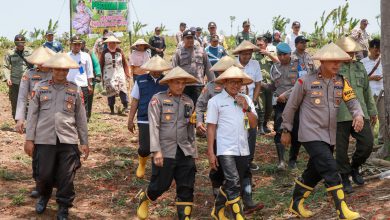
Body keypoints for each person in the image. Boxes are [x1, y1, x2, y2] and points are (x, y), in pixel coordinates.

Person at [281, 43, 363, 219]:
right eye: (332, 61)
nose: (336, 65)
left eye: (339, 61)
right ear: (323, 62)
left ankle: (296, 203)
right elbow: (291, 106)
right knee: (330, 167)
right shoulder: (306, 81)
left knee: (315, 171)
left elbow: (353, 102)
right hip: (310, 133)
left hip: (329, 135)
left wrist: (358, 115)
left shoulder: (341, 81)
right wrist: (286, 129)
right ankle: (341, 209)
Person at [24, 53, 89, 220]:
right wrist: (29, 139)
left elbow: (81, 117)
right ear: (52, 69)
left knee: (66, 176)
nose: (61, 72)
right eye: (58, 69)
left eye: (65, 69)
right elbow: (32, 115)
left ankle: (63, 206)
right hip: (44, 139)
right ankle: (44, 196)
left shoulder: (74, 89)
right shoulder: (40, 87)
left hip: (67, 139)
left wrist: (84, 142)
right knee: (43, 174)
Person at [136, 67, 199, 220]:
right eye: (177, 83)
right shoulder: (158, 100)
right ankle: (146, 197)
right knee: (161, 185)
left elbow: (191, 130)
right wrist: (156, 151)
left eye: (183, 83)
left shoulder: (188, 102)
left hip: (185, 150)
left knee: (186, 187)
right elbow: (154, 126)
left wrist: (194, 152)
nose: (180, 86)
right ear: (169, 83)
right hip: (165, 150)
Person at [206, 66, 258, 219]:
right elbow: (211, 127)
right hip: (225, 148)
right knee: (233, 181)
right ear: (224, 83)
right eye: (232, 82)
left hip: (243, 148)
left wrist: (246, 107)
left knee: (235, 181)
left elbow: (254, 124)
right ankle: (238, 215)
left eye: (238, 82)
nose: (236, 85)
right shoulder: (215, 101)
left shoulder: (246, 99)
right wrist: (211, 152)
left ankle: (217, 210)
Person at [335, 36, 377, 194]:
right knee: (341, 149)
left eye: (352, 51)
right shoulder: (334, 67)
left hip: (361, 113)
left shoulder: (360, 67)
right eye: (347, 51)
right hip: (340, 115)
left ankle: (354, 168)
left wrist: (372, 111)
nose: (351, 54)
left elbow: (367, 90)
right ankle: (344, 177)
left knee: (367, 144)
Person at [14, 47, 55, 198]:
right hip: (35, 119)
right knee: (36, 153)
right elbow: (22, 98)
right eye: (40, 62)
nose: (43, 64)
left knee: (54, 150)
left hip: (54, 118)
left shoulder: (56, 73)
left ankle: (54, 181)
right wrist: (20, 119)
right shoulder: (29, 75)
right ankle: (39, 184)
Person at [127, 55, 171, 178]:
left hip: (163, 119)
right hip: (144, 118)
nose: (157, 71)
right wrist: (130, 120)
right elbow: (135, 100)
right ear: (149, 68)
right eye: (154, 69)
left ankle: (158, 171)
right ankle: (142, 163)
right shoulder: (140, 80)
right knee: (145, 147)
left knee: (161, 146)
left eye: (160, 69)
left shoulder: (167, 81)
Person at [269, 43, 301, 169]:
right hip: (280, 104)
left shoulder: (298, 66)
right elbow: (274, 86)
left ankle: (293, 160)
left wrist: (286, 95)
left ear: (290, 54)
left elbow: (300, 85)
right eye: (279, 55)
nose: (282, 57)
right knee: (279, 129)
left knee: (296, 131)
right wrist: (263, 87)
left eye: (284, 54)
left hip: (295, 103)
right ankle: (281, 161)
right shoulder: (274, 67)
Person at [233, 40, 262, 170]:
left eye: (249, 54)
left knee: (250, 129)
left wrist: (254, 100)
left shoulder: (255, 64)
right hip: (234, 102)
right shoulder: (232, 63)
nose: (247, 56)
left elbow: (258, 84)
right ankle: (233, 158)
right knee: (235, 129)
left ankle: (249, 160)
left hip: (248, 103)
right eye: (244, 54)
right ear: (239, 53)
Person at [361, 39, 389, 159]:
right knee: (370, 119)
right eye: (375, 49)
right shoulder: (363, 62)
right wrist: (371, 78)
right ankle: (369, 142)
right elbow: (361, 79)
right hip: (370, 93)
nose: (377, 52)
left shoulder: (384, 60)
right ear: (370, 49)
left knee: (383, 118)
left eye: (379, 49)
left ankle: (382, 140)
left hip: (382, 93)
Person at [172, 29, 214, 104]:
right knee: (184, 109)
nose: (190, 40)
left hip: (198, 85)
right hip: (184, 86)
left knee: (199, 108)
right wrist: (174, 86)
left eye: (192, 38)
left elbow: (208, 67)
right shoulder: (178, 53)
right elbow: (173, 70)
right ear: (183, 39)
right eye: (187, 38)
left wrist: (213, 84)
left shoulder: (201, 51)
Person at [2, 34, 33, 119]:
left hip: (27, 81)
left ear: (24, 43)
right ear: (15, 43)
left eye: (22, 43)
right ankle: (17, 121)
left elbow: (35, 66)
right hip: (14, 82)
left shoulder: (30, 52)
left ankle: (26, 121)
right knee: (14, 101)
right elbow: (5, 66)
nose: (20, 45)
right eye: (18, 43)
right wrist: (7, 78)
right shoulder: (10, 53)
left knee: (27, 102)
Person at [100, 35, 130, 114]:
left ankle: (126, 105)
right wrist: (100, 75)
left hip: (119, 72)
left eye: (114, 43)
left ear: (116, 43)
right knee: (110, 90)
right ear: (108, 43)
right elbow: (101, 64)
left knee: (122, 88)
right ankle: (111, 108)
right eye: (111, 43)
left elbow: (124, 63)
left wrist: (127, 73)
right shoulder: (104, 52)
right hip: (108, 74)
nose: (112, 44)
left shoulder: (120, 51)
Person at [254, 36, 278, 134]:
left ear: (266, 45)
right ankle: (260, 127)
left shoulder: (271, 54)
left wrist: (268, 54)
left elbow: (278, 62)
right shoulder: (254, 56)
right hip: (259, 84)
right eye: (258, 45)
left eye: (261, 45)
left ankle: (265, 124)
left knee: (269, 106)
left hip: (270, 84)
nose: (259, 47)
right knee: (261, 106)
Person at [67, 35, 94, 118]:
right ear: (71, 44)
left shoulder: (86, 56)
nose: (77, 46)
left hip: (83, 85)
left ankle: (83, 124)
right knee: (69, 105)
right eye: (75, 44)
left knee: (82, 106)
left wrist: (90, 85)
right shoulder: (66, 56)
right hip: (69, 84)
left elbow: (89, 71)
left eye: (79, 44)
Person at [81, 39, 102, 122]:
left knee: (89, 98)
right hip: (78, 80)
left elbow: (96, 64)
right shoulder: (73, 53)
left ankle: (87, 115)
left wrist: (98, 75)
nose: (79, 45)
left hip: (89, 78)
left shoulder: (89, 53)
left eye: (81, 44)